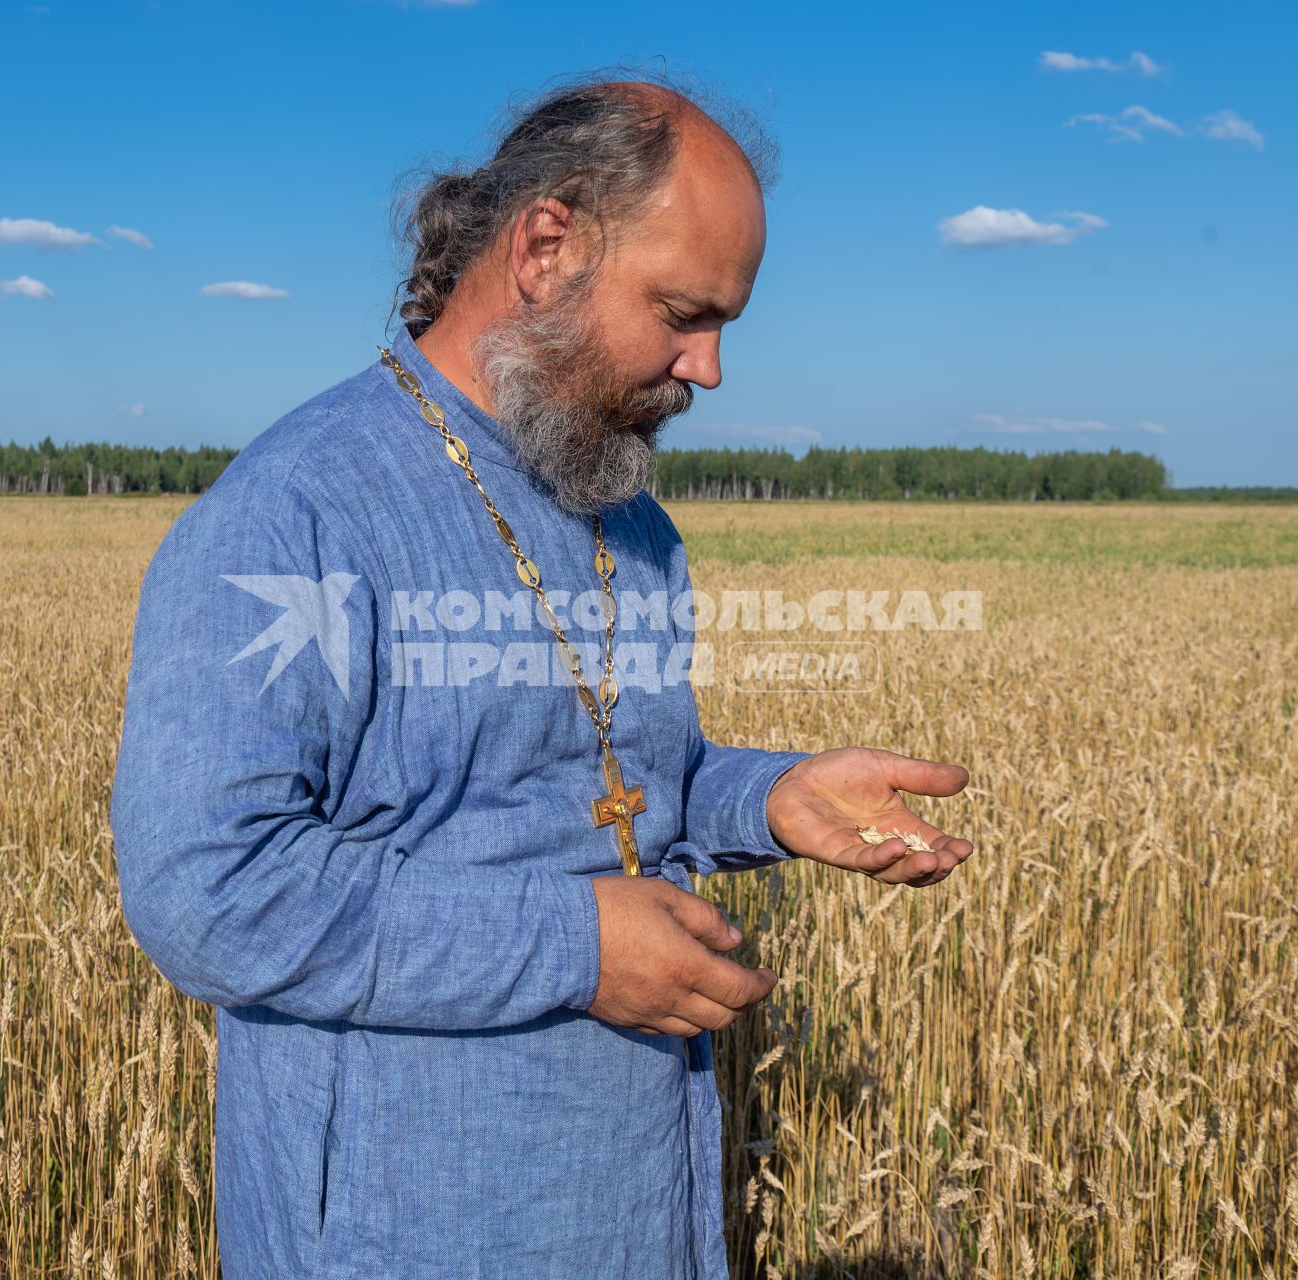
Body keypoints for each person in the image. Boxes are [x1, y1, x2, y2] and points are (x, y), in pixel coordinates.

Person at [110, 69, 975, 1280]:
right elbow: (208, 883)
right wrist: (578, 943)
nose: (710, 367)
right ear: (546, 247)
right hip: (403, 1234)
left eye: (723, 322)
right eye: (683, 310)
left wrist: (768, 799)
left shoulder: (630, 519)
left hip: (640, 1211)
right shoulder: (296, 512)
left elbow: (615, 782)